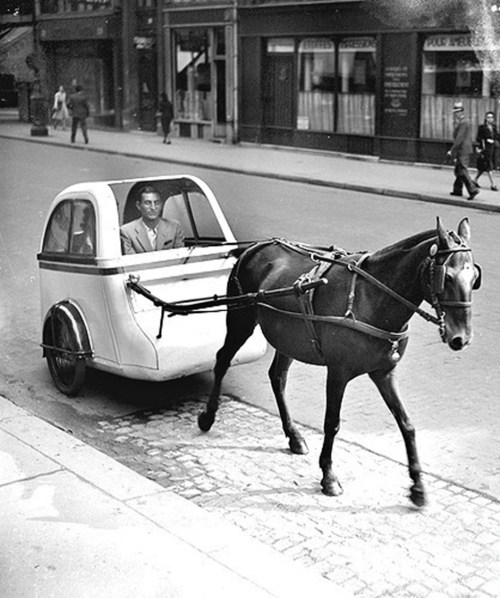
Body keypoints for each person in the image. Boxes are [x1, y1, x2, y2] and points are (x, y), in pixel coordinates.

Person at [120, 185, 185, 254]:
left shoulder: (174, 227)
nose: (153, 208)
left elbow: (179, 257)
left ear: (161, 205)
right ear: (138, 205)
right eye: (148, 203)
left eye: (157, 203)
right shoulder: (126, 231)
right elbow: (131, 262)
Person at [447, 101, 479, 201]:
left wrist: (452, 150)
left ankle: (473, 190)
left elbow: (459, 138)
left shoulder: (464, 122)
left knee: (462, 170)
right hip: (462, 149)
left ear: (460, 112)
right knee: (458, 170)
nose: (455, 114)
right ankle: (457, 190)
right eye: (454, 112)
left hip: (462, 149)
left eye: (456, 112)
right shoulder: (462, 122)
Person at [474, 111, 499, 191]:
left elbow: (497, 136)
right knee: (489, 166)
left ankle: (474, 180)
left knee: (482, 168)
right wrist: (486, 140)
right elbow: (478, 138)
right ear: (485, 118)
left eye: (491, 117)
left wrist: (494, 140)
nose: (490, 119)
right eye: (488, 117)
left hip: (492, 148)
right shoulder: (482, 127)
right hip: (485, 149)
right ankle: (493, 184)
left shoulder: (494, 127)